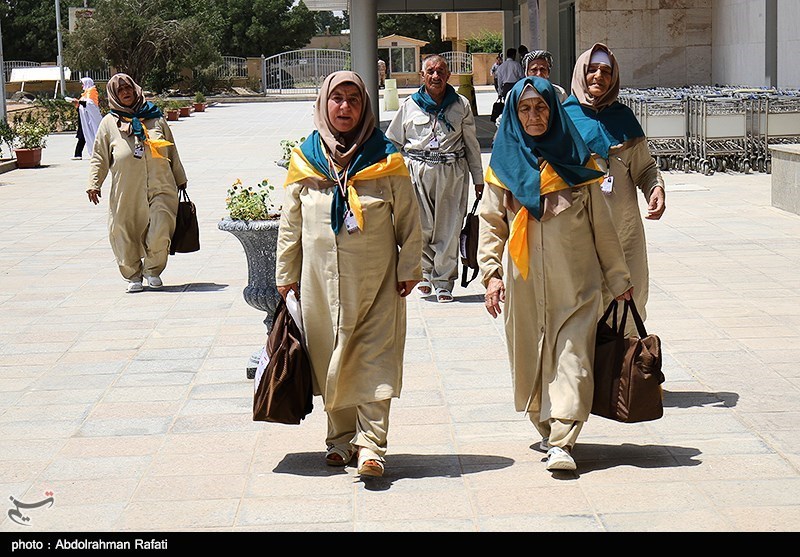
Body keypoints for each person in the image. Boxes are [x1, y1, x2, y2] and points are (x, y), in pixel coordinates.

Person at [479, 77, 633, 472]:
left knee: (573, 357)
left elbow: (603, 227)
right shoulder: (503, 164)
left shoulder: (579, 162)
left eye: (542, 107)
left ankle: (564, 435)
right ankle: (545, 426)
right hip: (523, 283)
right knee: (530, 356)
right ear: (514, 113)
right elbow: (491, 222)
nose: (534, 116)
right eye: (525, 109)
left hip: (577, 283)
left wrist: (619, 280)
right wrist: (492, 274)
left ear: (554, 110)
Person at [276, 71, 423, 478]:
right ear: (324, 104)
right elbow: (291, 224)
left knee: (375, 358)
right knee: (328, 357)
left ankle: (373, 445)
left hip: (378, 282)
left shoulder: (386, 157)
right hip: (319, 284)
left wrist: (410, 266)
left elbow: (409, 220)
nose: (344, 107)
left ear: (365, 107)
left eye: (353, 100)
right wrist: (285, 275)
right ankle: (340, 439)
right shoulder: (305, 158)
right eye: (336, 99)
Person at [562, 43, 666, 332]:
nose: (598, 76)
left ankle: (623, 371)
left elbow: (645, 168)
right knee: (583, 309)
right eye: (592, 70)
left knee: (629, 304)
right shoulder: (562, 119)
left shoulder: (625, 118)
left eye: (606, 71)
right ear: (581, 73)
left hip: (624, 231)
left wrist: (655, 189)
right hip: (581, 231)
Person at [386, 55, 484, 303]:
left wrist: (478, 178)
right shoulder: (409, 105)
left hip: (452, 171)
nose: (435, 76)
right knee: (420, 226)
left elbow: (471, 144)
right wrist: (391, 177)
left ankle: (444, 282)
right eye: (430, 71)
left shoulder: (460, 104)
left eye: (440, 71)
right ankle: (426, 274)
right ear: (422, 75)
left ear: (448, 75)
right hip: (417, 171)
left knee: (449, 229)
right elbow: (393, 142)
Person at [87, 73, 188, 293]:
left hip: (162, 186)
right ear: (114, 94)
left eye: (128, 87)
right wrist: (94, 183)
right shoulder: (108, 124)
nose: (125, 92)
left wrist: (180, 178)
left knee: (161, 228)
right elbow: (99, 157)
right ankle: (133, 274)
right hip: (127, 189)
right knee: (124, 230)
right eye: (120, 89)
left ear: (135, 89)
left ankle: (152, 270)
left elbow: (172, 149)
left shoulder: (155, 118)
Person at [68, 77, 103, 160]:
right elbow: (82, 107)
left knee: (87, 136)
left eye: (83, 83)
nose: (82, 86)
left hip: (90, 120)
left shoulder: (92, 92)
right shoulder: (85, 93)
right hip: (84, 120)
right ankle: (79, 154)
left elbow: (90, 104)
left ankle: (79, 154)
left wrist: (78, 102)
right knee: (83, 136)